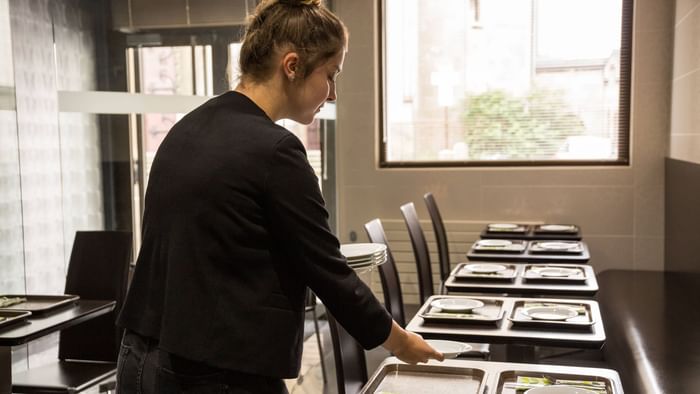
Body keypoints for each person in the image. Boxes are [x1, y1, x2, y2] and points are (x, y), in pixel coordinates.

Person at [115, 0, 443, 392]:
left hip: (138, 359)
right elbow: (326, 270)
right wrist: (401, 342)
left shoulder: (187, 128)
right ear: (292, 66)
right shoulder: (276, 151)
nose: (333, 93)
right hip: (211, 370)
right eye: (331, 74)